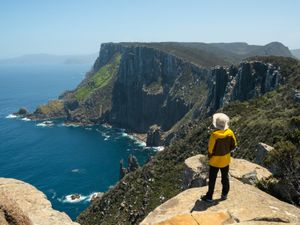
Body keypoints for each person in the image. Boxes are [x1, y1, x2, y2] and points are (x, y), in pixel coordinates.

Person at [201, 113, 237, 203]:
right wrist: (226, 151)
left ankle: (209, 196)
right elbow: (234, 145)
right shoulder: (230, 132)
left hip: (215, 161)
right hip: (225, 159)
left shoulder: (214, 135)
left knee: (212, 179)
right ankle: (224, 194)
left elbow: (210, 149)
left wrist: (210, 156)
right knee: (225, 177)